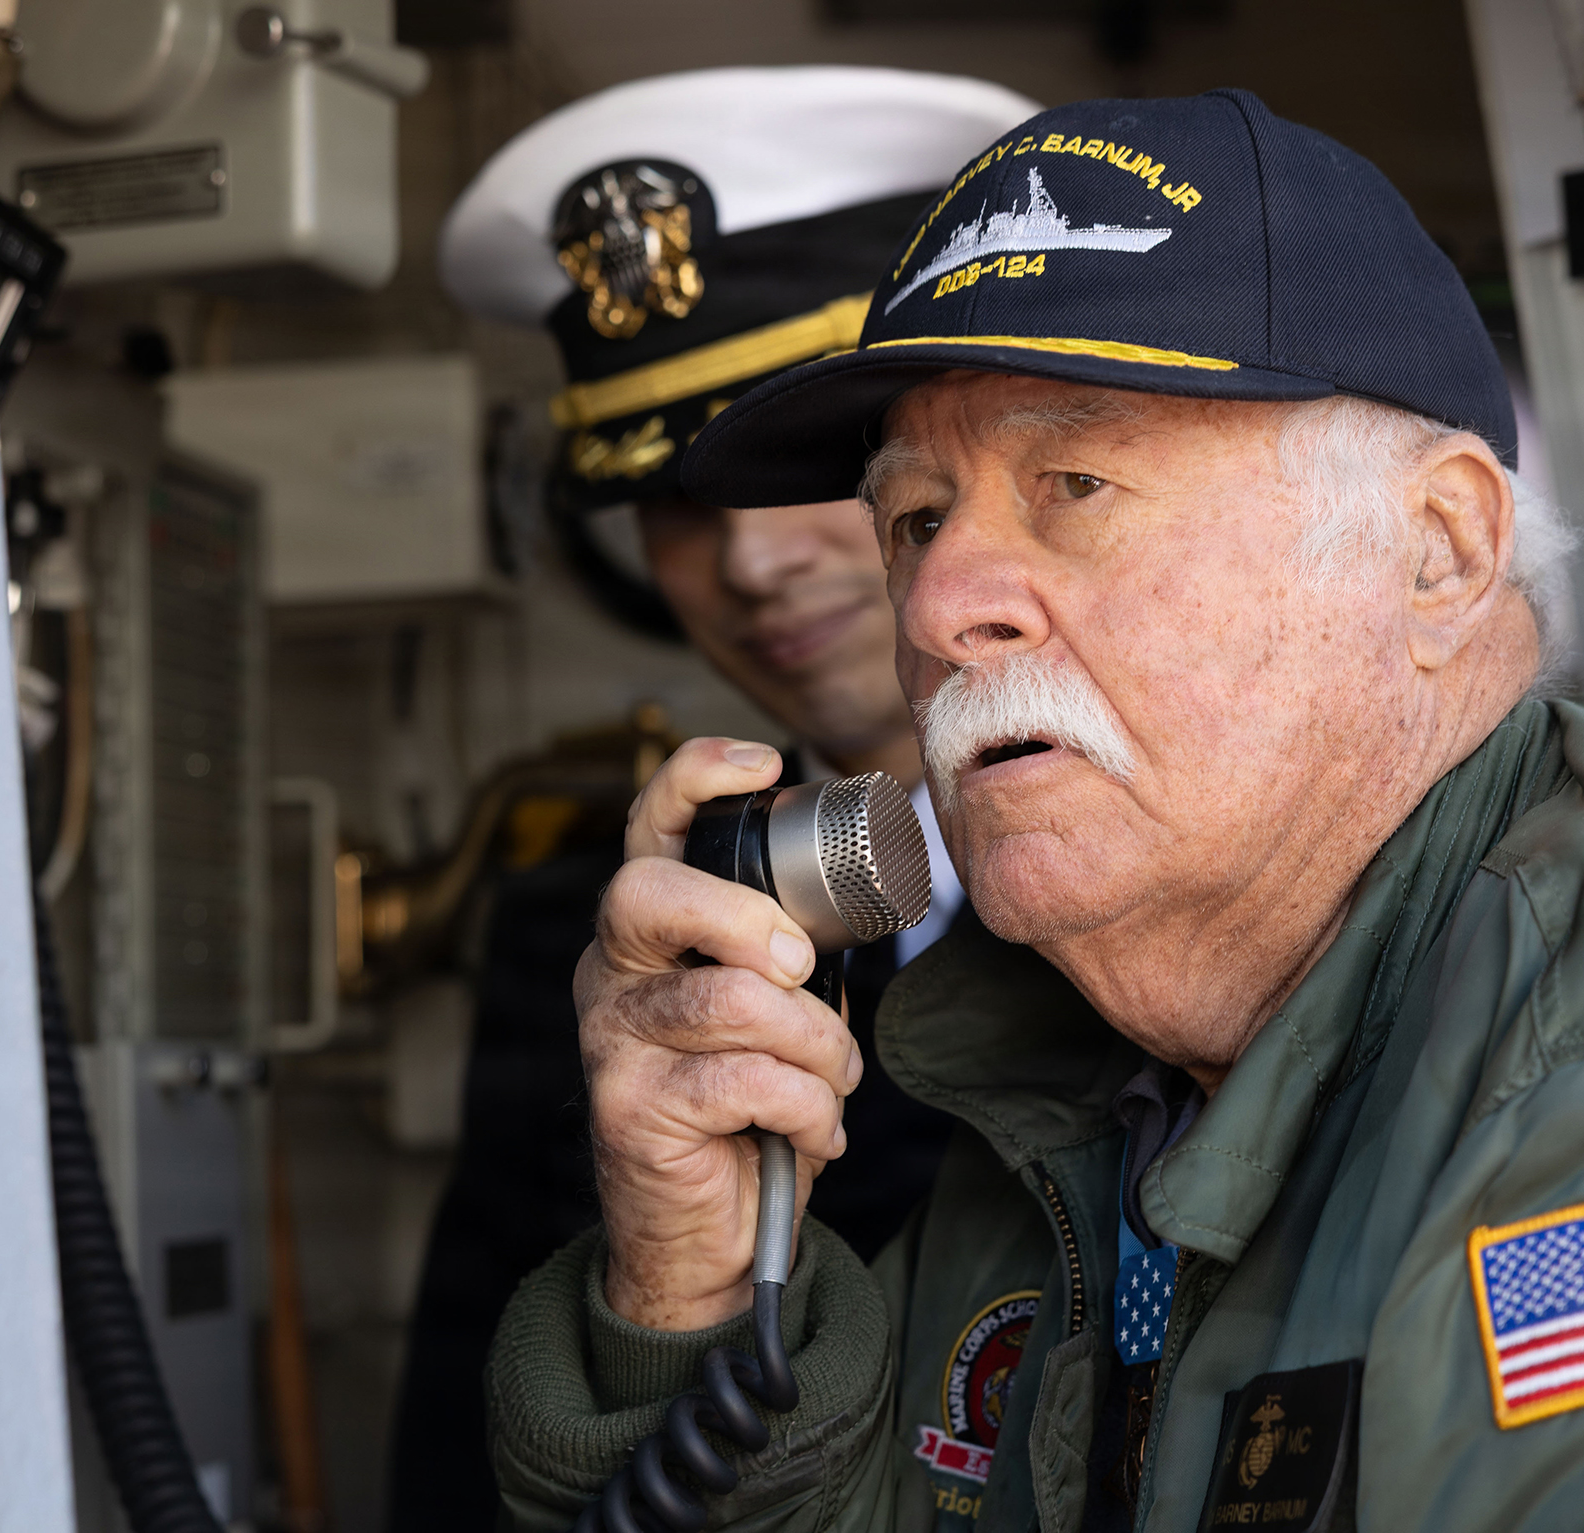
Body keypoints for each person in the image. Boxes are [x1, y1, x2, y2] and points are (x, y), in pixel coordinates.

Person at [485, 90, 1584, 1533]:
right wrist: (697, 1294)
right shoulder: (1072, 1091)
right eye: (918, 516)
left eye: (1076, 485)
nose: (945, 607)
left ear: (1435, 552)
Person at [384, 68, 1037, 1533]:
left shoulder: (1175, 868)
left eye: (796, 465)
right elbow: (461, 1444)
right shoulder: (605, 937)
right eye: (678, 494)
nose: (745, 564)